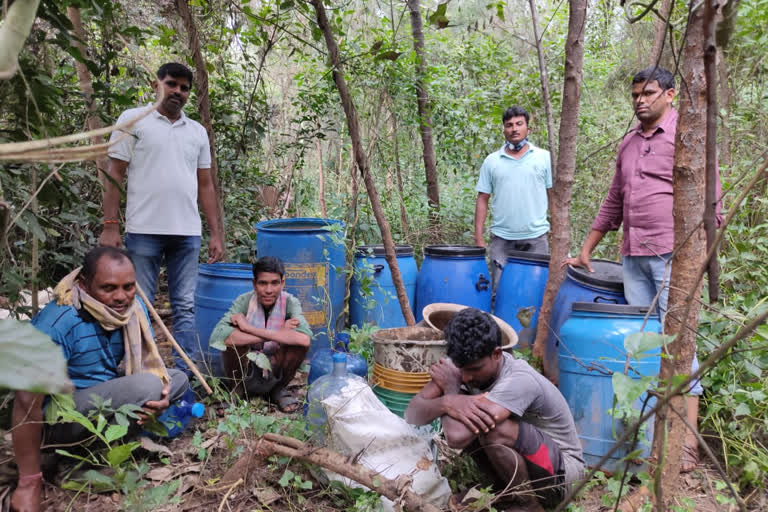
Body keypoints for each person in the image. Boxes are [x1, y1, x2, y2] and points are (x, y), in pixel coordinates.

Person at [565, 66, 722, 472]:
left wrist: (700, 255)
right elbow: (614, 200)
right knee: (646, 346)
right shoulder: (630, 143)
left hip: (674, 256)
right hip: (633, 257)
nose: (640, 100)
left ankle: (684, 447)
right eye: (635, 94)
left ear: (670, 95)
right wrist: (586, 250)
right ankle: (651, 438)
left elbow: (713, 201)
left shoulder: (686, 138)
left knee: (679, 346)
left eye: (649, 93)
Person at [10, 247, 189, 512]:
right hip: (60, 417)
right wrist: (28, 483)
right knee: (149, 386)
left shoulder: (134, 309)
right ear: (85, 284)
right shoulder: (60, 320)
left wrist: (159, 399)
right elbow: (26, 400)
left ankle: (106, 447)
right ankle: (69, 465)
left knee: (177, 380)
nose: (121, 297)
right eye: (108, 288)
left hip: (103, 396)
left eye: (129, 286)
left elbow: (150, 366)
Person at [100, 62, 224, 372]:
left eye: (184, 88)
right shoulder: (133, 120)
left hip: (187, 233)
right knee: (138, 303)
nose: (178, 92)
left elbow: (206, 185)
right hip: (144, 230)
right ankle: (139, 374)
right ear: (156, 85)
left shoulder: (196, 132)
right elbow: (115, 173)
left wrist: (215, 233)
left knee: (185, 306)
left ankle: (186, 376)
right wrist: (110, 226)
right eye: (172, 84)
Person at [405, 308, 584, 511]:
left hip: (562, 475)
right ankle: (503, 493)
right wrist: (447, 403)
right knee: (471, 418)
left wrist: (452, 392)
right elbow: (413, 413)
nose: (465, 378)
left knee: (491, 428)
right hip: (528, 468)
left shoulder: (518, 380)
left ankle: (525, 504)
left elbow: (456, 437)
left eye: (474, 369)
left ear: (497, 354)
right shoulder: (461, 365)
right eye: (460, 369)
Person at [209, 257, 311, 412]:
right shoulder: (244, 301)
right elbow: (219, 337)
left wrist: (248, 329)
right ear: (254, 284)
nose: (269, 290)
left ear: (282, 283)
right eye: (263, 283)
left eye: (275, 283)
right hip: (248, 365)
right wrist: (279, 333)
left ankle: (278, 389)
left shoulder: (290, 302)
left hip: (275, 365)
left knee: (297, 347)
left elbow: (304, 339)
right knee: (233, 344)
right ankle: (237, 391)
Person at [474, 106, 553, 291]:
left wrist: (558, 235)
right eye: (509, 125)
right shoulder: (492, 161)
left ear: (528, 128)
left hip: (537, 238)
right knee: (500, 291)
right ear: (504, 130)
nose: (514, 129)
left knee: (535, 291)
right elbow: (482, 198)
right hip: (501, 240)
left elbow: (553, 196)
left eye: (519, 124)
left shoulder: (544, 158)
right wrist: (478, 237)